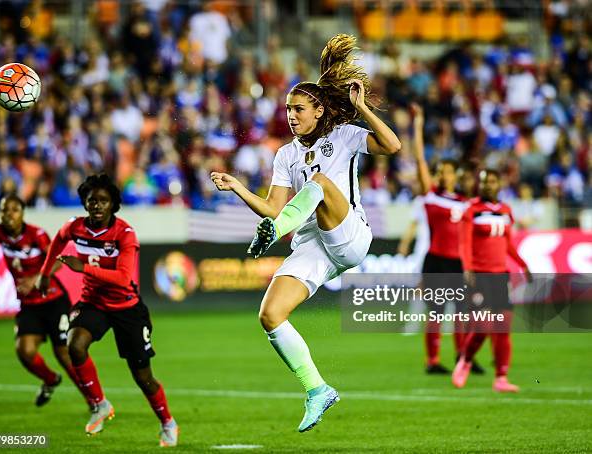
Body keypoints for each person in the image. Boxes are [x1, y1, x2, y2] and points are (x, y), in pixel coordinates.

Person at [211, 34, 401, 432]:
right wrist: (238, 187)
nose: (291, 116)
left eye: (298, 109)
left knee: (319, 184)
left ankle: (272, 235)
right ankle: (317, 389)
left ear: (318, 110)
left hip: (350, 236)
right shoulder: (286, 154)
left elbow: (392, 145)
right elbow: (274, 207)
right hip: (313, 242)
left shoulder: (344, 136)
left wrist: (362, 107)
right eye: (288, 110)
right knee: (270, 314)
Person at [38, 174, 178, 446]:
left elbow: (124, 278)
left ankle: (167, 422)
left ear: (114, 204)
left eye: (103, 201)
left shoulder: (124, 234)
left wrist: (84, 268)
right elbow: (58, 239)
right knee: (75, 345)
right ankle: (99, 404)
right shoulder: (75, 227)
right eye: (92, 201)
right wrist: (45, 273)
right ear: (84, 203)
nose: (97, 206)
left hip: (127, 307)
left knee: (143, 377)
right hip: (94, 303)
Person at [0, 194, 85, 407]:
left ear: (22, 213)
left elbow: (56, 261)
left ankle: (94, 400)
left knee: (64, 354)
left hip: (53, 300)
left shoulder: (36, 234)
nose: (9, 214)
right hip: (29, 305)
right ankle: (50, 380)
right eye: (4, 209)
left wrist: (36, 279)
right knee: (25, 351)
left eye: (14, 209)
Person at [410, 105, 484, 375]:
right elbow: (419, 160)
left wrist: (469, 266)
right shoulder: (430, 196)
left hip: (457, 264)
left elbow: (466, 238)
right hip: (436, 261)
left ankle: (463, 358)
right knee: (437, 313)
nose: (443, 175)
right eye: (440, 171)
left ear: (456, 176)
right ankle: (433, 361)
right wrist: (418, 125)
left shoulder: (465, 203)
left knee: (463, 313)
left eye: (448, 172)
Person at [452, 169, 532, 392]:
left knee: (503, 328)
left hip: (500, 275)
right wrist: (467, 268)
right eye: (485, 182)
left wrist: (523, 264)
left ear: (500, 184)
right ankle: (465, 360)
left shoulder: (506, 210)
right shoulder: (473, 210)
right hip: (480, 275)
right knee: (484, 325)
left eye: (493, 182)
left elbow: (508, 244)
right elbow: (464, 243)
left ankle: (501, 378)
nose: (488, 185)